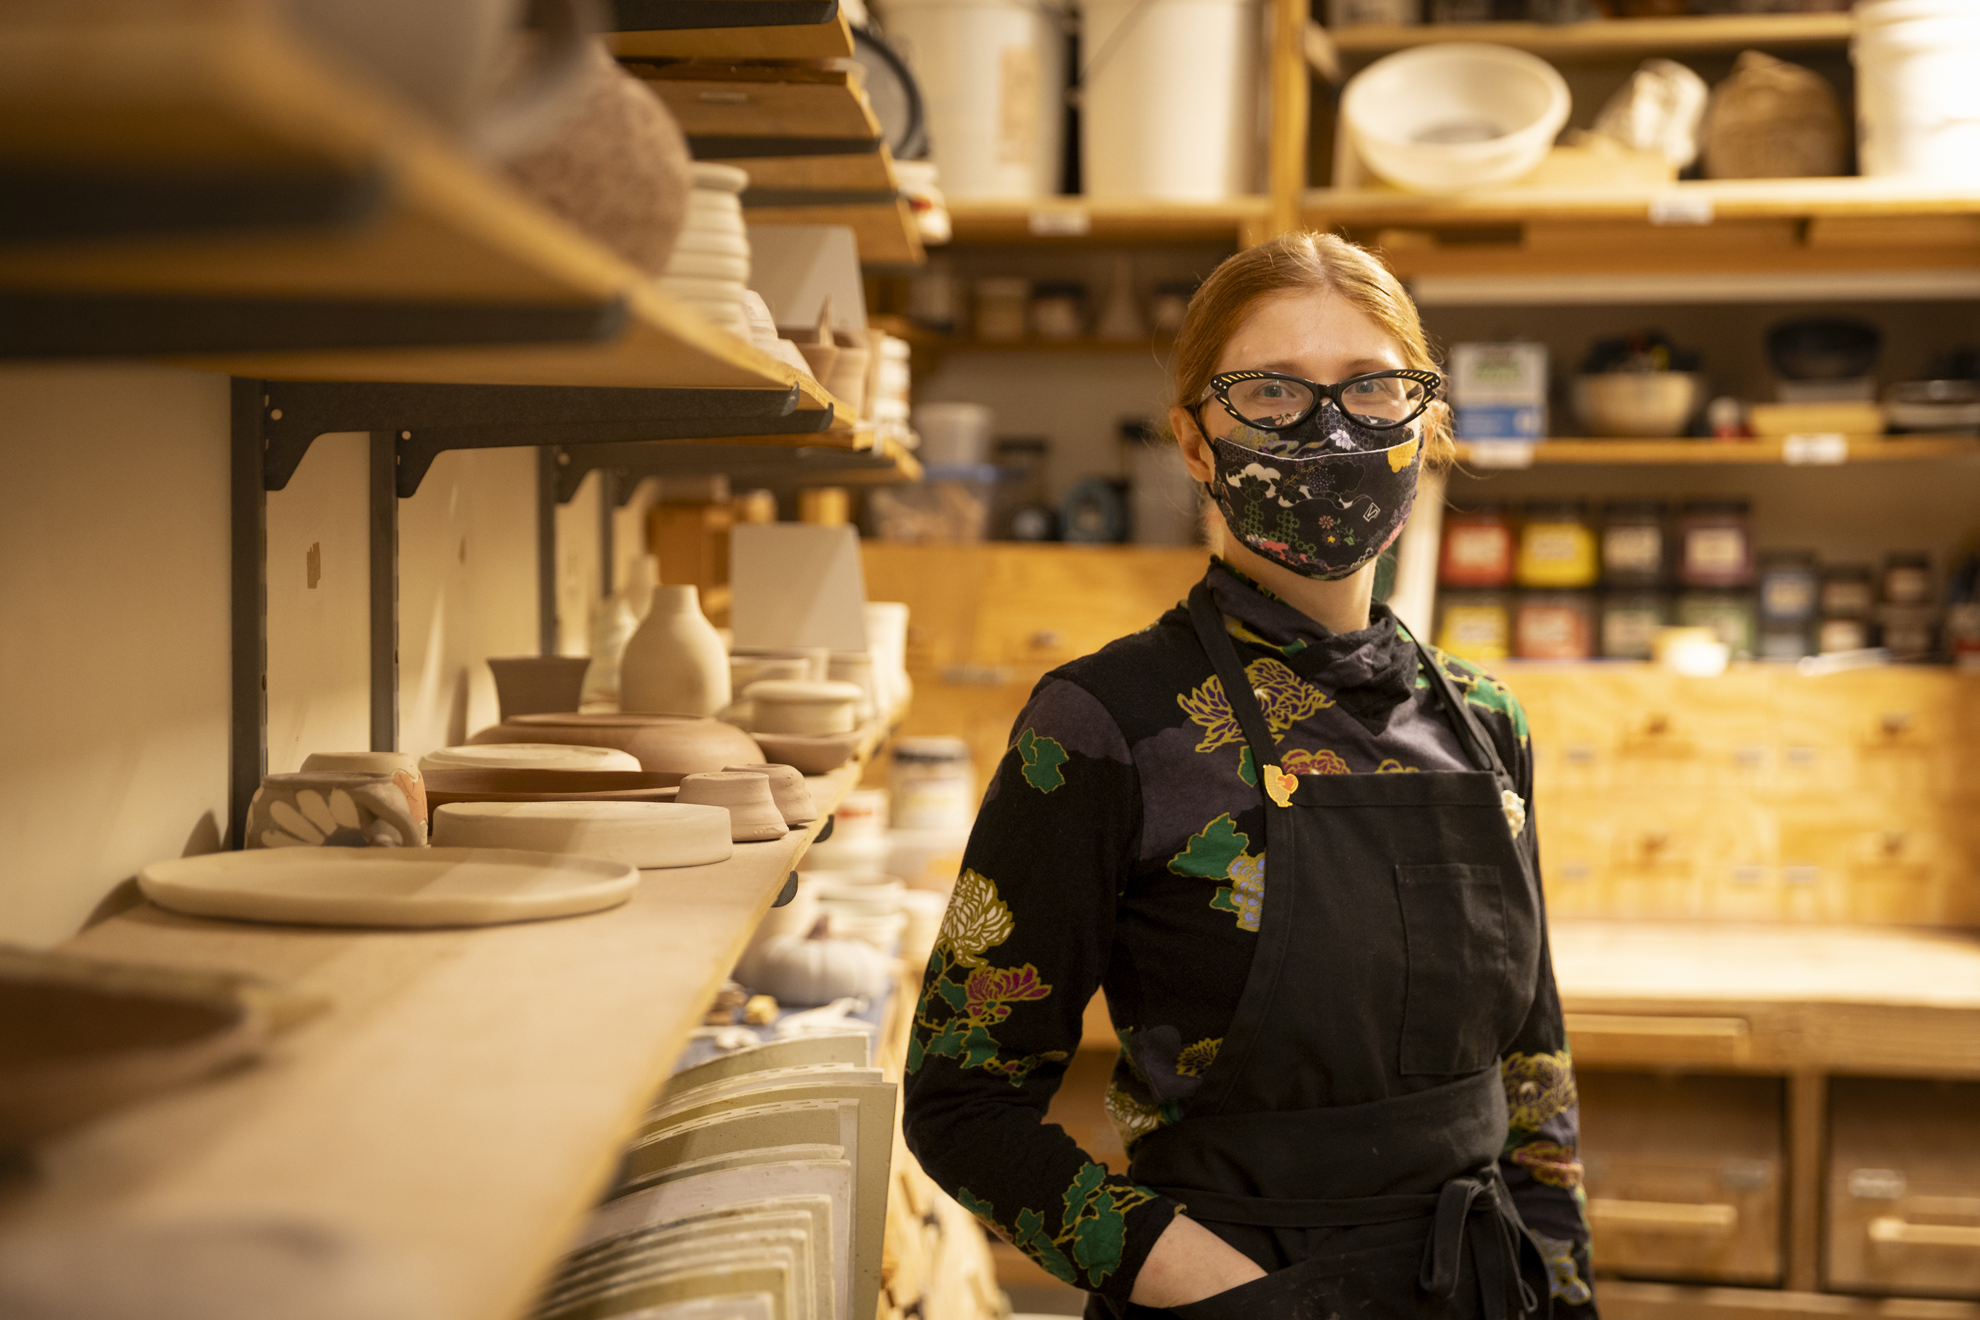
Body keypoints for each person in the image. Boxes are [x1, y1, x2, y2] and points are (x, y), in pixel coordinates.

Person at [901, 232, 1595, 1320]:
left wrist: (1565, 1291)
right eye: (1271, 392)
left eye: (1370, 388)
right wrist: (1222, 1292)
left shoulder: (1484, 721)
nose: (1330, 430)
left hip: (1475, 1287)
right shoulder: (1104, 723)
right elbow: (961, 1108)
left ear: (1422, 424)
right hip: (1231, 1296)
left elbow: (1535, 1077)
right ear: (1194, 441)